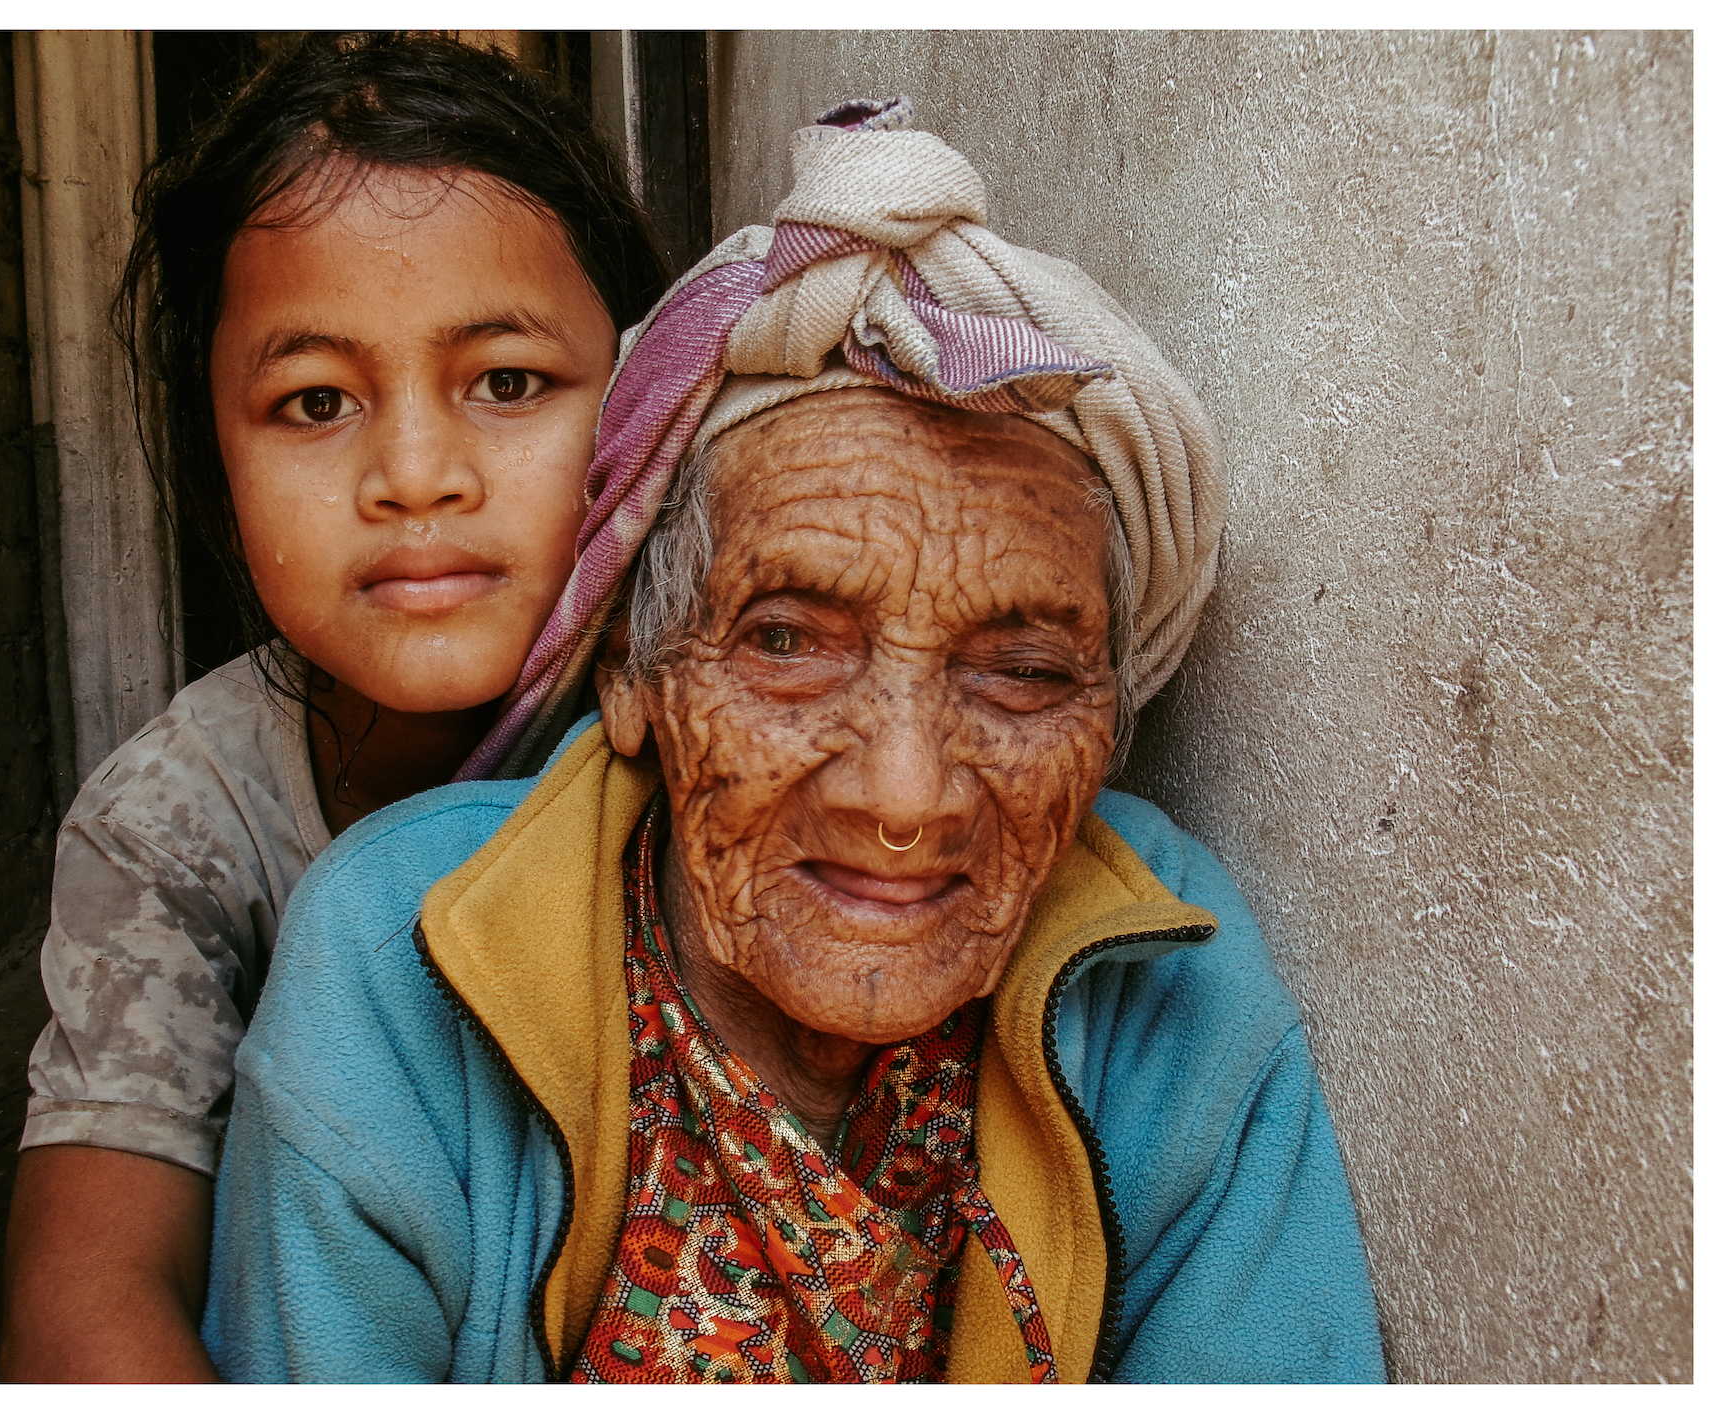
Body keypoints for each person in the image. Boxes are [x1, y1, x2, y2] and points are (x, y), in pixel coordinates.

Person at [201, 99, 1385, 1383]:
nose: (906, 793)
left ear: (1108, 720)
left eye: (1026, 673)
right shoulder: (389, 968)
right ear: (634, 671)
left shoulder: (1174, 977)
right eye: (786, 643)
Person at [0, 33, 667, 1382]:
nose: (416, 474)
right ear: (214, 446)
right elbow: (87, 1296)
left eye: (508, 381)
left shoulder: (710, 721)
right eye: (314, 400)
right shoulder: (185, 822)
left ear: (646, 395)